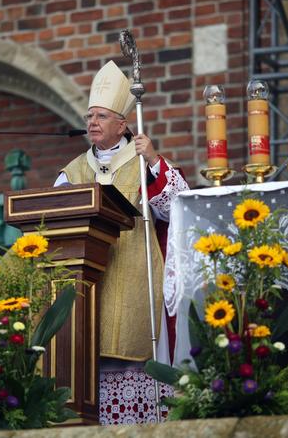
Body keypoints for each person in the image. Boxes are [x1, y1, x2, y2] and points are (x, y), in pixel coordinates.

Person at [55, 60, 189, 424]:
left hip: (136, 274)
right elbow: (51, 219)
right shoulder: (73, 171)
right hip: (87, 282)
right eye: (89, 116)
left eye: (100, 116)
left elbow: (178, 209)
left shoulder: (144, 161)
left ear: (122, 123)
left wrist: (156, 161)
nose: (92, 123)